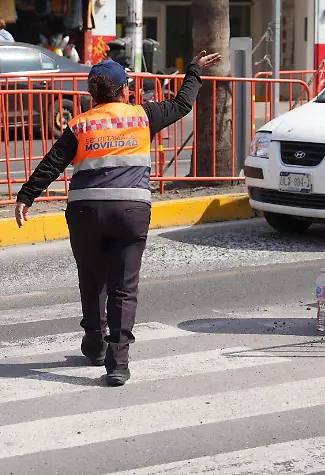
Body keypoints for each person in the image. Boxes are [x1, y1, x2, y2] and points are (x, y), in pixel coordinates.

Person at [15, 51, 222, 386]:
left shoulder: (80, 124)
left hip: (85, 213)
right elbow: (184, 104)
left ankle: (95, 345)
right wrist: (193, 69)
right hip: (131, 211)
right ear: (125, 90)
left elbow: (53, 162)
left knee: (92, 279)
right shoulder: (143, 115)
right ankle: (118, 363)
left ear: (92, 95)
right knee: (124, 288)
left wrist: (26, 197)